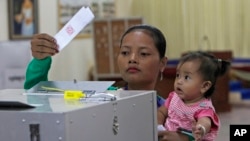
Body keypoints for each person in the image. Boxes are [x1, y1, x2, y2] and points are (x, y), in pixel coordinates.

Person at [24, 24, 190, 141]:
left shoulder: (175, 113)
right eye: (125, 52)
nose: (132, 59)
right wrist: (40, 62)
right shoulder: (99, 95)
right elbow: (37, 97)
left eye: (144, 54)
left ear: (162, 63)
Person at [157, 51, 230, 141]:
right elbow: (161, 111)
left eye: (186, 77)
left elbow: (205, 121)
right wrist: (159, 126)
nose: (179, 81)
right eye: (178, 75)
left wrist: (201, 129)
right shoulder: (174, 97)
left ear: (204, 86)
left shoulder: (203, 108)